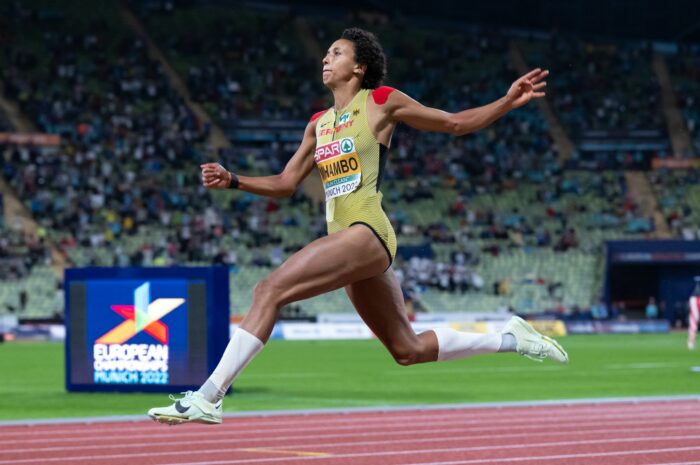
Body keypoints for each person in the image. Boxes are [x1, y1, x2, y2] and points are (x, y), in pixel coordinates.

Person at [148, 28, 568, 425]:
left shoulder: (381, 101)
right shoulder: (318, 123)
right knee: (406, 349)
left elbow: (454, 123)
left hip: (368, 231)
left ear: (359, 67)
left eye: (337, 53)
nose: (325, 58)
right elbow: (286, 183)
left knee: (269, 289)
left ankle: (209, 396)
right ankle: (511, 338)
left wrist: (505, 102)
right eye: (326, 52)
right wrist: (234, 180)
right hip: (348, 241)